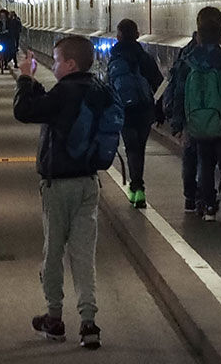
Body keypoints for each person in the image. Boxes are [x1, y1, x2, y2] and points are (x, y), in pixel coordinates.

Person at [13, 35, 114, 349]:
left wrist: (26, 78)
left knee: (53, 250)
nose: (52, 64)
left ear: (69, 64)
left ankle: (54, 318)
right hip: (88, 183)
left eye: (56, 61)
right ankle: (89, 322)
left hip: (58, 185)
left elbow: (25, 111)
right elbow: (55, 111)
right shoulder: (99, 89)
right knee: (84, 255)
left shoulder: (64, 91)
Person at [159, 6, 221, 223]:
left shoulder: (188, 62)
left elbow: (180, 95)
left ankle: (208, 206)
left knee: (205, 163)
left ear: (198, 36)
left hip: (198, 124)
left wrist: (178, 124)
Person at [107, 19, 164, 209]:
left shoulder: (114, 58)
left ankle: (137, 188)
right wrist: (160, 109)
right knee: (140, 147)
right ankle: (138, 186)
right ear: (137, 34)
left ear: (119, 36)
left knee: (131, 148)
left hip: (125, 110)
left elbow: (109, 86)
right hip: (145, 109)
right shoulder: (144, 57)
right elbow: (159, 82)